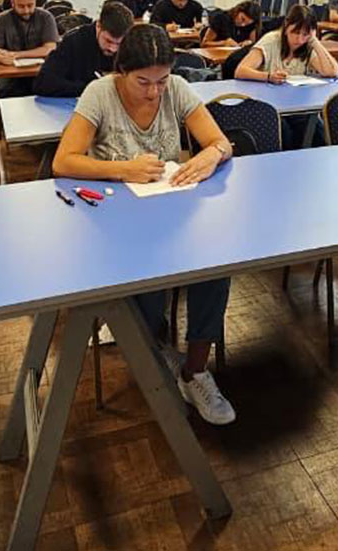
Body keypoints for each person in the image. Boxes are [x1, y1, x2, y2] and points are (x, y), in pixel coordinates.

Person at [51, 24, 236, 424]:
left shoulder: (177, 89)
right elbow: (63, 161)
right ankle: (154, 350)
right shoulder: (99, 93)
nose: (154, 92)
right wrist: (123, 168)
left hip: (171, 215)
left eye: (162, 80)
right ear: (121, 71)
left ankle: (195, 371)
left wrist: (211, 155)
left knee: (216, 270)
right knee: (147, 292)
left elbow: (220, 142)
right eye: (143, 82)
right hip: (117, 223)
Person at [235, 4, 338, 146]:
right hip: (268, 105)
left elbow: (332, 72)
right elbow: (241, 70)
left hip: (298, 105)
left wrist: (315, 42)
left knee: (317, 131)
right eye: (295, 33)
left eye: (305, 34)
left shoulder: (307, 46)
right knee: (284, 132)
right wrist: (268, 76)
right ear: (286, 27)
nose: (299, 39)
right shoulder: (271, 40)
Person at [33, 2, 135, 97]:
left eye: (119, 44)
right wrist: (90, 88)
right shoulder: (73, 42)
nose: (113, 49)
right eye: (108, 41)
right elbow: (43, 83)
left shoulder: (130, 44)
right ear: (98, 26)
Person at [0, 0, 59, 98]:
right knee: (2, 91)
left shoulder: (46, 17)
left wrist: (17, 54)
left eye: (30, 5)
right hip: (10, 75)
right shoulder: (1, 20)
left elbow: (50, 48)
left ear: (35, 1)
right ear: (12, 3)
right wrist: (1, 58)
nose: (26, 11)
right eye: (21, 6)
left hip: (41, 72)